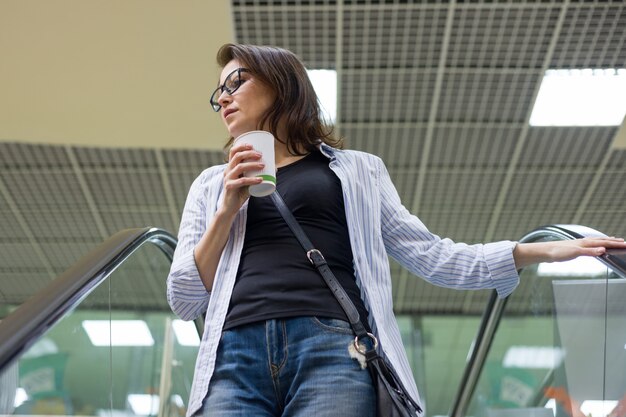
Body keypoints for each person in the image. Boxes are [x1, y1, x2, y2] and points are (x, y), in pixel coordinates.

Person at [166, 43, 626, 417]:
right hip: (233, 355)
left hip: (331, 347)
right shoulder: (210, 185)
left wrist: (540, 252)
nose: (223, 97)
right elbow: (184, 297)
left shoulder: (357, 171)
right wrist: (227, 210)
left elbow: (431, 255)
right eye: (218, 92)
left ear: (281, 83)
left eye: (236, 81)